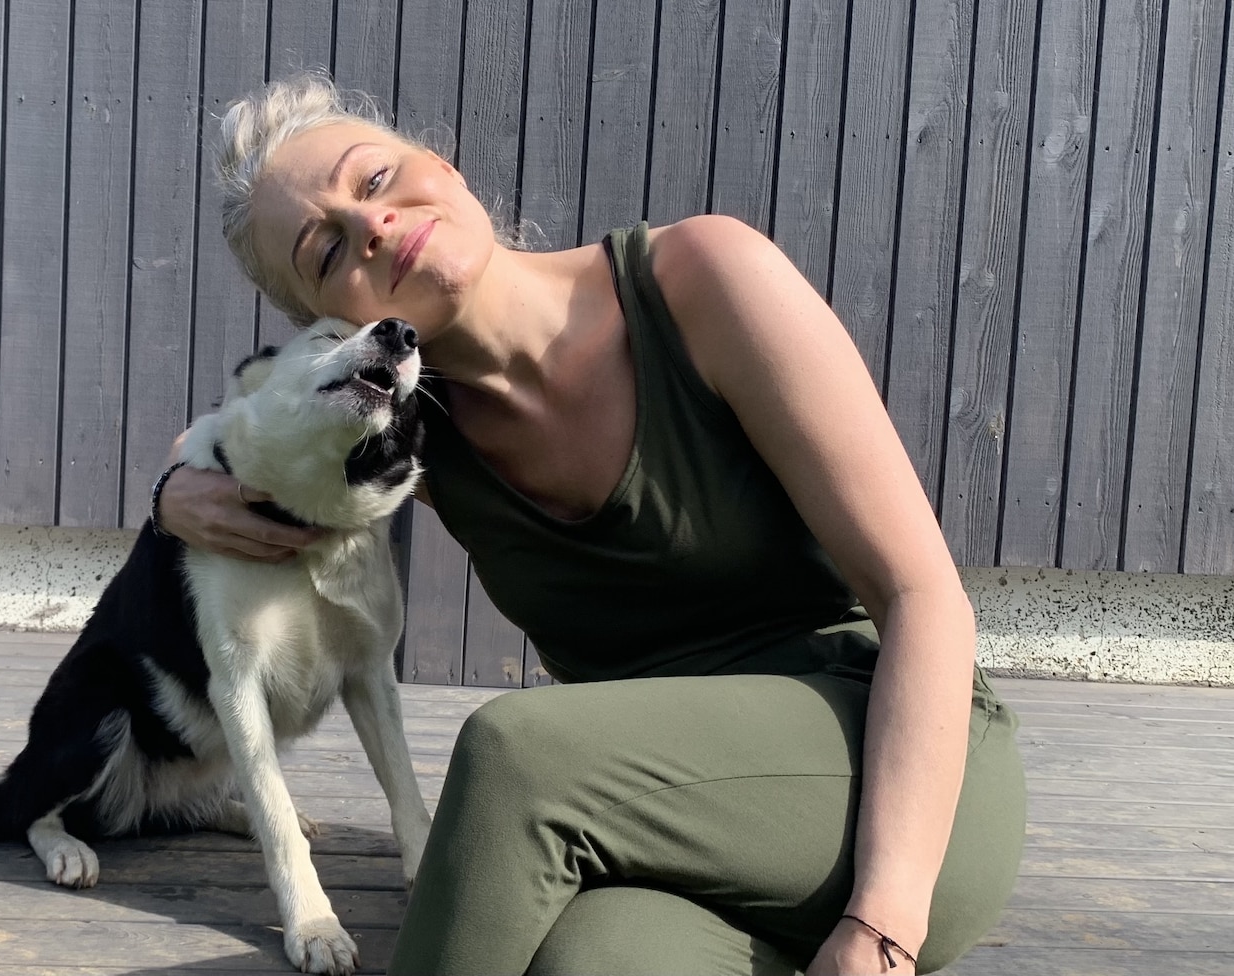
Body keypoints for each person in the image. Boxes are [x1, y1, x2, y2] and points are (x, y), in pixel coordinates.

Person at [155, 72, 1025, 975]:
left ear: (443, 167)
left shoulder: (703, 282)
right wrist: (172, 491)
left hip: (893, 789)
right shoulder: (427, 435)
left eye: (374, 179)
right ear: (335, 325)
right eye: (327, 250)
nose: (370, 223)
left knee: (516, 757)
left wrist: (883, 926)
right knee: (589, 958)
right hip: (670, 827)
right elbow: (228, 437)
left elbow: (922, 596)